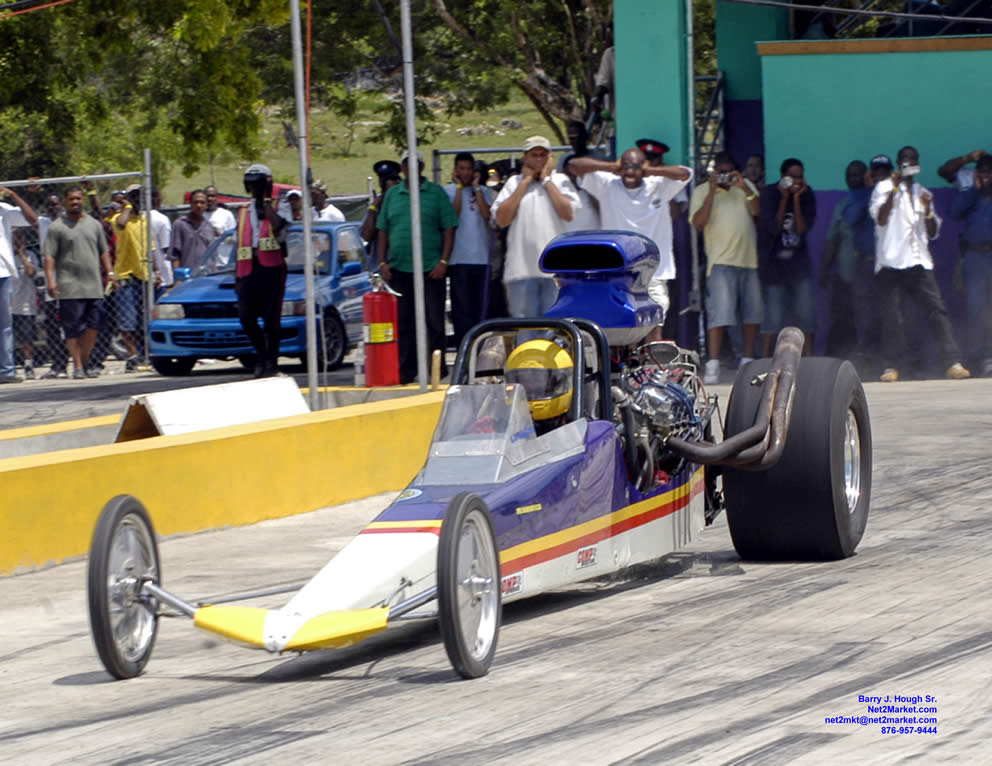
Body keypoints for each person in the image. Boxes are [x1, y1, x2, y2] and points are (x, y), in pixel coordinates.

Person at [870, 145, 970, 381]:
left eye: (913, 160)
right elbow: (881, 218)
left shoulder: (922, 192)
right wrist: (895, 187)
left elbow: (933, 231)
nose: (908, 163)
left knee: (937, 311)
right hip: (891, 263)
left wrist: (926, 210)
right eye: (905, 160)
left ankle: (952, 362)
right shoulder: (883, 188)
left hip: (919, 261)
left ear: (917, 164)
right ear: (898, 163)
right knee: (892, 316)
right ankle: (891, 366)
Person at [568, 147, 693, 325]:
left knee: (654, 323)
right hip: (618, 272)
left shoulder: (658, 185)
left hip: (653, 271)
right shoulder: (607, 185)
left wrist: (648, 171)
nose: (630, 172)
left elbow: (685, 173)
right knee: (622, 325)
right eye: (626, 166)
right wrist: (612, 166)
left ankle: (651, 354)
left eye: (635, 166)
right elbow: (573, 165)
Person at [376, 149, 458, 383]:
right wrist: (382, 261)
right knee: (404, 322)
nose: (409, 169)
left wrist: (444, 261)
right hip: (400, 269)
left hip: (431, 269)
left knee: (434, 322)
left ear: (421, 168)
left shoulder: (436, 193)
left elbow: (450, 227)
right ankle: (406, 369)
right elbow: (383, 229)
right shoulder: (393, 194)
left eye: (414, 164)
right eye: (405, 164)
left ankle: (437, 369)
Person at [689, 151, 762, 385]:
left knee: (752, 314)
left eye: (728, 171)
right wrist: (711, 191)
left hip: (749, 261)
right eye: (720, 171)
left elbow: (759, 212)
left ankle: (747, 360)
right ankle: (713, 365)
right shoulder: (701, 191)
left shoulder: (745, 186)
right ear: (713, 172)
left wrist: (744, 187)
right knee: (719, 316)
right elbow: (698, 224)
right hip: (719, 263)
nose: (724, 176)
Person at [492, 136, 578, 318]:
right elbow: (502, 219)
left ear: (550, 158)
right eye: (534, 155)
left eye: (543, 155)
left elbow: (568, 214)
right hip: (521, 271)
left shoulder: (561, 180)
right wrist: (524, 183)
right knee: (525, 329)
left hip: (557, 272)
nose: (539, 160)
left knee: (556, 329)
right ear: (525, 158)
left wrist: (547, 181)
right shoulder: (513, 183)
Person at [42, 187, 112, 379]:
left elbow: (103, 251)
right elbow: (49, 257)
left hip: (94, 285)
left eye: (78, 199)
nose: (75, 202)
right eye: (71, 199)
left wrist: (110, 272)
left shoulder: (94, 224)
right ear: (66, 202)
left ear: (83, 200)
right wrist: (51, 281)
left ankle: (85, 359)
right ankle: (79, 366)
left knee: (93, 326)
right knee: (72, 329)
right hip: (69, 286)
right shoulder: (57, 227)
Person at [235, 164, 292, 377]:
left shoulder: (280, 205)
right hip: (248, 268)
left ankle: (271, 363)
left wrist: (266, 203)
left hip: (273, 268)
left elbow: (281, 229)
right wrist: (237, 277)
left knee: (271, 317)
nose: (254, 189)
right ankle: (261, 354)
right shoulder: (242, 210)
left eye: (258, 184)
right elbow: (239, 243)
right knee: (246, 316)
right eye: (250, 185)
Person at [757, 158, 817, 355]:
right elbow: (773, 228)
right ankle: (766, 358)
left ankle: (809, 357)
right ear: (783, 177)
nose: (796, 181)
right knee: (772, 318)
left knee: (806, 316)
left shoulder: (807, 195)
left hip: (799, 267)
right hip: (773, 266)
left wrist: (797, 199)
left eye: (800, 177)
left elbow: (801, 229)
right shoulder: (769, 194)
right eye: (792, 177)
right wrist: (784, 198)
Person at [819, 160, 877, 363]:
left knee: (871, 317)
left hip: (871, 273)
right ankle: (839, 359)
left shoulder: (876, 199)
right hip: (845, 275)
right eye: (849, 175)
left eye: (857, 175)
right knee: (843, 318)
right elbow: (832, 240)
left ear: (865, 176)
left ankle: (871, 358)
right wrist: (825, 270)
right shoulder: (842, 205)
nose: (853, 179)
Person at [445, 152, 494, 349]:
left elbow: (487, 216)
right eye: (461, 169)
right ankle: (463, 347)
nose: (465, 173)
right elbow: (452, 218)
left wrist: (476, 189)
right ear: (456, 170)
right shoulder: (447, 191)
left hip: (481, 259)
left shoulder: (483, 191)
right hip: (458, 260)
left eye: (469, 169)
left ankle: (480, 348)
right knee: (461, 309)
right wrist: (459, 188)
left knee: (479, 308)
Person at [949, 154, 992, 376]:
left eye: (989, 172)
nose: (986, 176)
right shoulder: (970, 194)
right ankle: (976, 358)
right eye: (982, 172)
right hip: (975, 257)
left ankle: (989, 356)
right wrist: (974, 189)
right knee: (976, 309)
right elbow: (955, 213)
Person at [0, 185, 39, 383]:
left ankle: (6, 371)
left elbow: (32, 219)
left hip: (3, 273)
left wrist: (14, 195)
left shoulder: (4, 210)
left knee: (5, 325)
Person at [504, 338, 574, 436]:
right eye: (524, 378)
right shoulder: (500, 422)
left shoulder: (576, 424)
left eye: (537, 377)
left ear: (557, 383)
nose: (531, 383)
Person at [11, 229, 39, 379]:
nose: (18, 242)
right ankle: (10, 366)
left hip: (26, 304)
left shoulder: (31, 256)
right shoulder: (5, 257)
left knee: (27, 338)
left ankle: (28, 365)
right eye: (15, 239)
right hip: (9, 305)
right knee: (9, 337)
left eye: (20, 239)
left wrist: (22, 255)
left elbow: (31, 272)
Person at [362, 160, 402, 262]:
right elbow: (367, 236)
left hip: (402, 265)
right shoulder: (377, 205)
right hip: (379, 267)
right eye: (382, 179)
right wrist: (373, 209)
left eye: (390, 179)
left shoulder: (406, 202)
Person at [171, 189, 216, 271]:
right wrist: (178, 277)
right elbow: (174, 254)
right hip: (187, 277)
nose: (199, 205)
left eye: (202, 202)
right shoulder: (180, 224)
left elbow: (212, 255)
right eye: (196, 202)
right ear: (190, 204)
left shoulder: (209, 226)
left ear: (206, 205)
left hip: (207, 276)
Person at [149, 188, 172, 297]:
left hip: (141, 275)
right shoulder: (162, 219)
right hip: (161, 276)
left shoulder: (136, 219)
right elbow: (166, 248)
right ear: (155, 200)